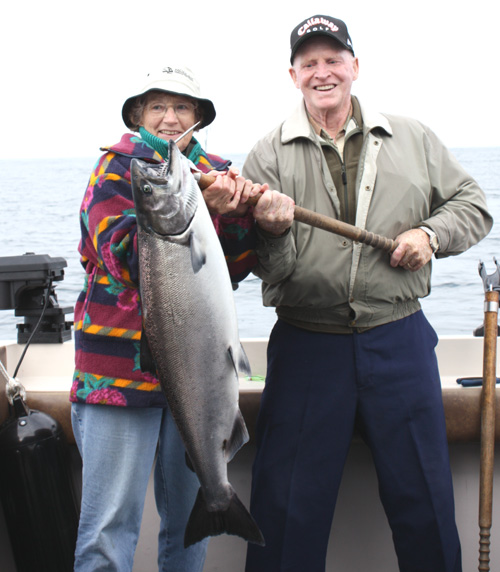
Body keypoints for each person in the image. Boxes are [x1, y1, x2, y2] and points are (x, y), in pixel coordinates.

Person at [243, 15, 493, 572]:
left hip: (399, 340)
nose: (322, 72)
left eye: (333, 60)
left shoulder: (413, 136)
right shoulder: (266, 156)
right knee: (285, 515)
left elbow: (473, 207)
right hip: (308, 347)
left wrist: (430, 235)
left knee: (424, 504)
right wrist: (275, 230)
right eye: (309, 63)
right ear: (293, 75)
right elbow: (265, 267)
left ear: (355, 67)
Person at [70, 65, 278, 572]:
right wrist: (196, 207)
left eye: (181, 107)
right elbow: (121, 255)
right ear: (138, 114)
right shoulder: (118, 169)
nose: (169, 118)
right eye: (156, 106)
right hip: (116, 377)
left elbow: (233, 268)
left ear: (199, 118)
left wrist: (253, 219)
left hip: (200, 373)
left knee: (188, 531)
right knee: (107, 529)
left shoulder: (223, 175)